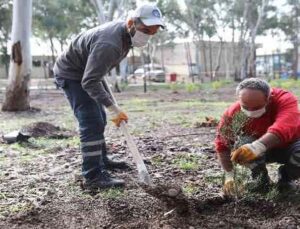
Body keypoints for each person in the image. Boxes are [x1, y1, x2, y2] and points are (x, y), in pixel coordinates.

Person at [53, 4, 165, 190]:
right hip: (71, 75)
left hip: (86, 74)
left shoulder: (125, 37)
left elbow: (98, 73)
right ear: (131, 22)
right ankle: (93, 176)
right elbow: (89, 81)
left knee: (100, 118)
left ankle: (101, 160)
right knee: (91, 121)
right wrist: (113, 107)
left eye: (152, 32)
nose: (147, 35)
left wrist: (111, 106)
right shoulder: (110, 43)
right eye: (145, 30)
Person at [215, 78, 300, 196]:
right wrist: (229, 175)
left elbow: (285, 126)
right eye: (245, 107)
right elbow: (222, 143)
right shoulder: (233, 112)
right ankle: (260, 180)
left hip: (289, 147)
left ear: (269, 98)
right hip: (255, 153)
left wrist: (257, 146)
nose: (250, 111)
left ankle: (286, 178)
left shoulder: (285, 99)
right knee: (243, 142)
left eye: (256, 108)